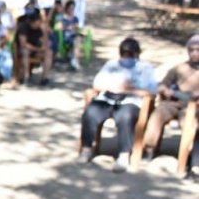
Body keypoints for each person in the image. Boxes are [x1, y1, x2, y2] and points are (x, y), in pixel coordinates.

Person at [78, 37, 157, 172]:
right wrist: (114, 87)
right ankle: (86, 148)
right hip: (108, 98)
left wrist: (129, 89)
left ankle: (124, 155)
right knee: (91, 112)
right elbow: (97, 84)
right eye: (124, 55)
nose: (127, 58)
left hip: (130, 100)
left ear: (137, 54)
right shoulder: (111, 65)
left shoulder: (145, 68)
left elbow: (152, 91)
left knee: (125, 117)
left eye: (130, 55)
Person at [142, 34, 199, 167]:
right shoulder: (179, 68)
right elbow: (162, 84)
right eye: (191, 50)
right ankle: (149, 148)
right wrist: (165, 90)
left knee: (189, 123)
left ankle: (188, 156)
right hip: (175, 101)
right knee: (157, 114)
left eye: (197, 50)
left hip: (194, 107)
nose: (194, 53)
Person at [16, 9, 53, 85]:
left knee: (49, 53)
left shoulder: (40, 28)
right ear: (31, 22)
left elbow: (45, 41)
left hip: (37, 50)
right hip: (25, 50)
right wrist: (38, 49)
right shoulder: (23, 27)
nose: (38, 24)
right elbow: (24, 44)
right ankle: (26, 77)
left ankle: (44, 78)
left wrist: (43, 45)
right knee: (25, 51)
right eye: (37, 23)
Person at [59, 0, 82, 70]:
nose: (71, 10)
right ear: (67, 8)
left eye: (73, 8)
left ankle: (75, 60)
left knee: (77, 40)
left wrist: (75, 28)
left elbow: (77, 27)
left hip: (74, 35)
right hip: (66, 35)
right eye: (70, 8)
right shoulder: (62, 18)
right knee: (77, 41)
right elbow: (60, 27)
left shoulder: (75, 18)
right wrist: (67, 27)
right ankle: (75, 61)